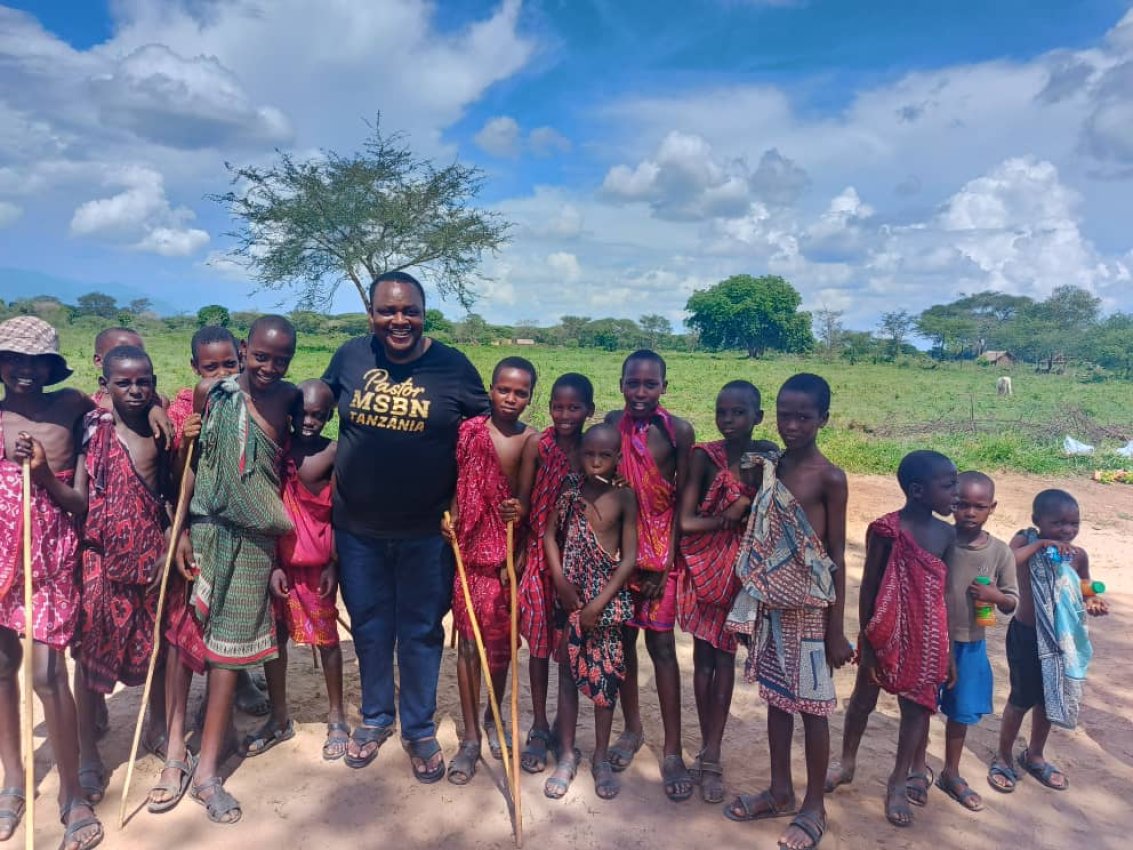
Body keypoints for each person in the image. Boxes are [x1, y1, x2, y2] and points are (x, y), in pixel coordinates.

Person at [322, 271, 488, 783]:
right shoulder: (350, 357)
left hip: (427, 530)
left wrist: (473, 500)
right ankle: (375, 717)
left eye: (410, 311)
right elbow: (307, 411)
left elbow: (485, 435)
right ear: (371, 314)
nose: (400, 320)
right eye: (388, 311)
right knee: (370, 625)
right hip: (357, 529)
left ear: (424, 314)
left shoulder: (453, 368)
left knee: (420, 630)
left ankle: (417, 726)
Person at [175, 315, 301, 825]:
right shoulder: (212, 394)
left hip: (255, 542)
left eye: (281, 360)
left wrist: (283, 557)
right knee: (198, 642)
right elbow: (193, 466)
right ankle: (193, 747)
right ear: (245, 349)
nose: (270, 367)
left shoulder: (290, 400)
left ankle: (206, 773)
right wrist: (180, 531)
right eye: (261, 356)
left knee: (228, 655)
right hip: (207, 530)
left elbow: (286, 473)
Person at [722, 374, 852, 850]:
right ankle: (780, 790)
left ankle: (814, 806)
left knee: (813, 710)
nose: (792, 425)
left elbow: (835, 554)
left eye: (803, 417)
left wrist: (836, 630)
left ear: (823, 419)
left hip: (812, 611)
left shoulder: (830, 477)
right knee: (777, 700)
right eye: (784, 415)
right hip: (772, 605)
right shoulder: (770, 467)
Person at [148, 325, 263, 815]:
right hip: (196, 533)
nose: (221, 376)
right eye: (210, 368)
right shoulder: (187, 409)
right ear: (195, 368)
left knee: (225, 645)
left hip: (244, 538)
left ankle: (216, 743)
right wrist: (184, 445)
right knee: (183, 639)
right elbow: (179, 480)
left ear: (241, 359)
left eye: (228, 365)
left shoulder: (255, 404)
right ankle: (176, 750)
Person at [0, 316, 103, 850]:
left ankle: (73, 794)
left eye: (36, 361)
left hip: (53, 554)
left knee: (47, 674)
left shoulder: (71, 406)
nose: (25, 370)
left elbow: (81, 500)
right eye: (13, 359)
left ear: (51, 368)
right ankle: (13, 783)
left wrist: (41, 473)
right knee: (2, 666)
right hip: (1, 555)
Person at [825, 449, 957, 829]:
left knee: (915, 710)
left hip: (927, 636)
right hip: (884, 630)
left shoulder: (947, 534)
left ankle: (898, 781)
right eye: (948, 485)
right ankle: (847, 762)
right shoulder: (886, 531)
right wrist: (868, 641)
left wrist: (946, 648)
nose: (956, 492)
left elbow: (945, 593)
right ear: (917, 491)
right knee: (862, 700)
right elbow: (870, 586)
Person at [74, 346, 171, 805]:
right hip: (99, 558)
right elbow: (79, 494)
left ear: (154, 383)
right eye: (123, 383)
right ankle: (87, 751)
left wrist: (169, 542)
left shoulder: (160, 433)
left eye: (143, 383)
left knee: (157, 646)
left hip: (150, 556)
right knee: (90, 650)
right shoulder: (91, 429)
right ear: (105, 385)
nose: (135, 391)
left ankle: (157, 725)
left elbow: (169, 494)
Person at [676, 380, 776, 804]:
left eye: (739, 412)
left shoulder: (767, 460)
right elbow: (685, 522)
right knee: (703, 660)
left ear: (758, 417)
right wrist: (729, 518)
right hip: (704, 569)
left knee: (725, 658)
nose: (729, 420)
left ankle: (712, 753)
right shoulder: (704, 458)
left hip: (742, 574)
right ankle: (707, 747)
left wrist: (748, 505)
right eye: (722, 412)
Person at [603, 350, 695, 802]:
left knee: (661, 648)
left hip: (661, 555)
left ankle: (673, 750)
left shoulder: (678, 431)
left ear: (664, 386)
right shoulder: (610, 423)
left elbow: (683, 500)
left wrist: (666, 561)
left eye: (650, 384)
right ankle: (632, 728)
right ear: (621, 383)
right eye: (632, 383)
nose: (640, 392)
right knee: (623, 644)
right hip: (621, 549)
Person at [444, 357, 538, 785]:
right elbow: (456, 484)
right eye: (504, 390)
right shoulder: (469, 431)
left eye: (520, 393)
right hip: (467, 555)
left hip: (504, 561)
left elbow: (526, 500)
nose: (511, 399)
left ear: (530, 397)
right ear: (491, 390)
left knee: (498, 650)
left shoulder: (529, 441)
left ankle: (494, 715)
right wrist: (449, 518)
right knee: (468, 646)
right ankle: (469, 738)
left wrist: (518, 509)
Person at [248, 380, 347, 761]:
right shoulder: (278, 449)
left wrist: (334, 564)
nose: (309, 421)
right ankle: (279, 717)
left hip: (316, 563)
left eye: (319, 415)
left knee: (327, 638)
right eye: (303, 414)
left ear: (329, 416)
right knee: (275, 638)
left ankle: (336, 717)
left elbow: (340, 512)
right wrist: (273, 563)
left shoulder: (333, 452)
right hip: (278, 559)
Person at [987, 489, 1107, 794]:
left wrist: (1092, 599)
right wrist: (1041, 544)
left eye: (1073, 523)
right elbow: (1007, 562)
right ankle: (1003, 756)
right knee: (1020, 699)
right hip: (1027, 636)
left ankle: (1035, 755)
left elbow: (1084, 583)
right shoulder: (1025, 541)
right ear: (1037, 521)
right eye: (1058, 523)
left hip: (1058, 642)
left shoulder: (1077, 555)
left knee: (1047, 700)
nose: (1067, 530)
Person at [543, 424, 638, 800]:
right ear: (579, 455)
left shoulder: (625, 498)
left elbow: (629, 558)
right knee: (567, 676)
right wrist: (561, 582)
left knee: (605, 681)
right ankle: (567, 755)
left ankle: (600, 757)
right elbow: (549, 536)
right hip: (571, 598)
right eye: (589, 454)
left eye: (605, 456)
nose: (596, 462)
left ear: (618, 459)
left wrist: (598, 604)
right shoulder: (569, 491)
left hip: (604, 606)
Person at [518, 373, 594, 774]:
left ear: (589, 410)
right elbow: (524, 499)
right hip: (537, 554)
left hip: (578, 560)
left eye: (574, 408)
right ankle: (539, 725)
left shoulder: (592, 449)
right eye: (558, 407)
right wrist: (517, 549)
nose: (565, 415)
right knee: (537, 644)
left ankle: (566, 734)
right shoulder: (538, 445)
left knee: (567, 648)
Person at [930, 471, 1017, 812]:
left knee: (960, 712)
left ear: (992, 508)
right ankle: (915, 770)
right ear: (951, 503)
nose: (969, 512)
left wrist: (994, 596)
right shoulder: (940, 540)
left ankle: (951, 772)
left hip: (970, 644)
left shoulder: (1000, 553)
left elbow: (1011, 602)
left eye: (979, 507)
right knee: (922, 707)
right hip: (932, 640)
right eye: (962, 504)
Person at [90, 327, 144, 409]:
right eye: (121, 354)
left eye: (138, 354)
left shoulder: (155, 403)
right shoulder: (86, 406)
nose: (131, 360)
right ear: (99, 361)